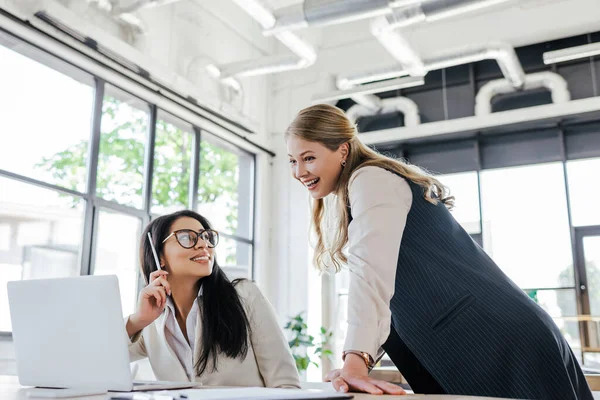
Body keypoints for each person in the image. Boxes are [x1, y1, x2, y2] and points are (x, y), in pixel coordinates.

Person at [285, 104, 593, 399]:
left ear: (343, 149)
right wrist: (358, 362)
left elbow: (370, 272)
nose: (299, 171)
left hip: (496, 342)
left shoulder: (370, 179)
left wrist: (356, 358)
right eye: (292, 161)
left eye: (308, 157)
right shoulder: (363, 186)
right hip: (483, 340)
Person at [125, 210, 300, 388]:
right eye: (186, 238)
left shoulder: (244, 294)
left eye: (206, 236)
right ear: (160, 256)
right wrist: (137, 320)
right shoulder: (151, 322)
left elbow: (286, 383)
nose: (204, 244)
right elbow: (100, 357)